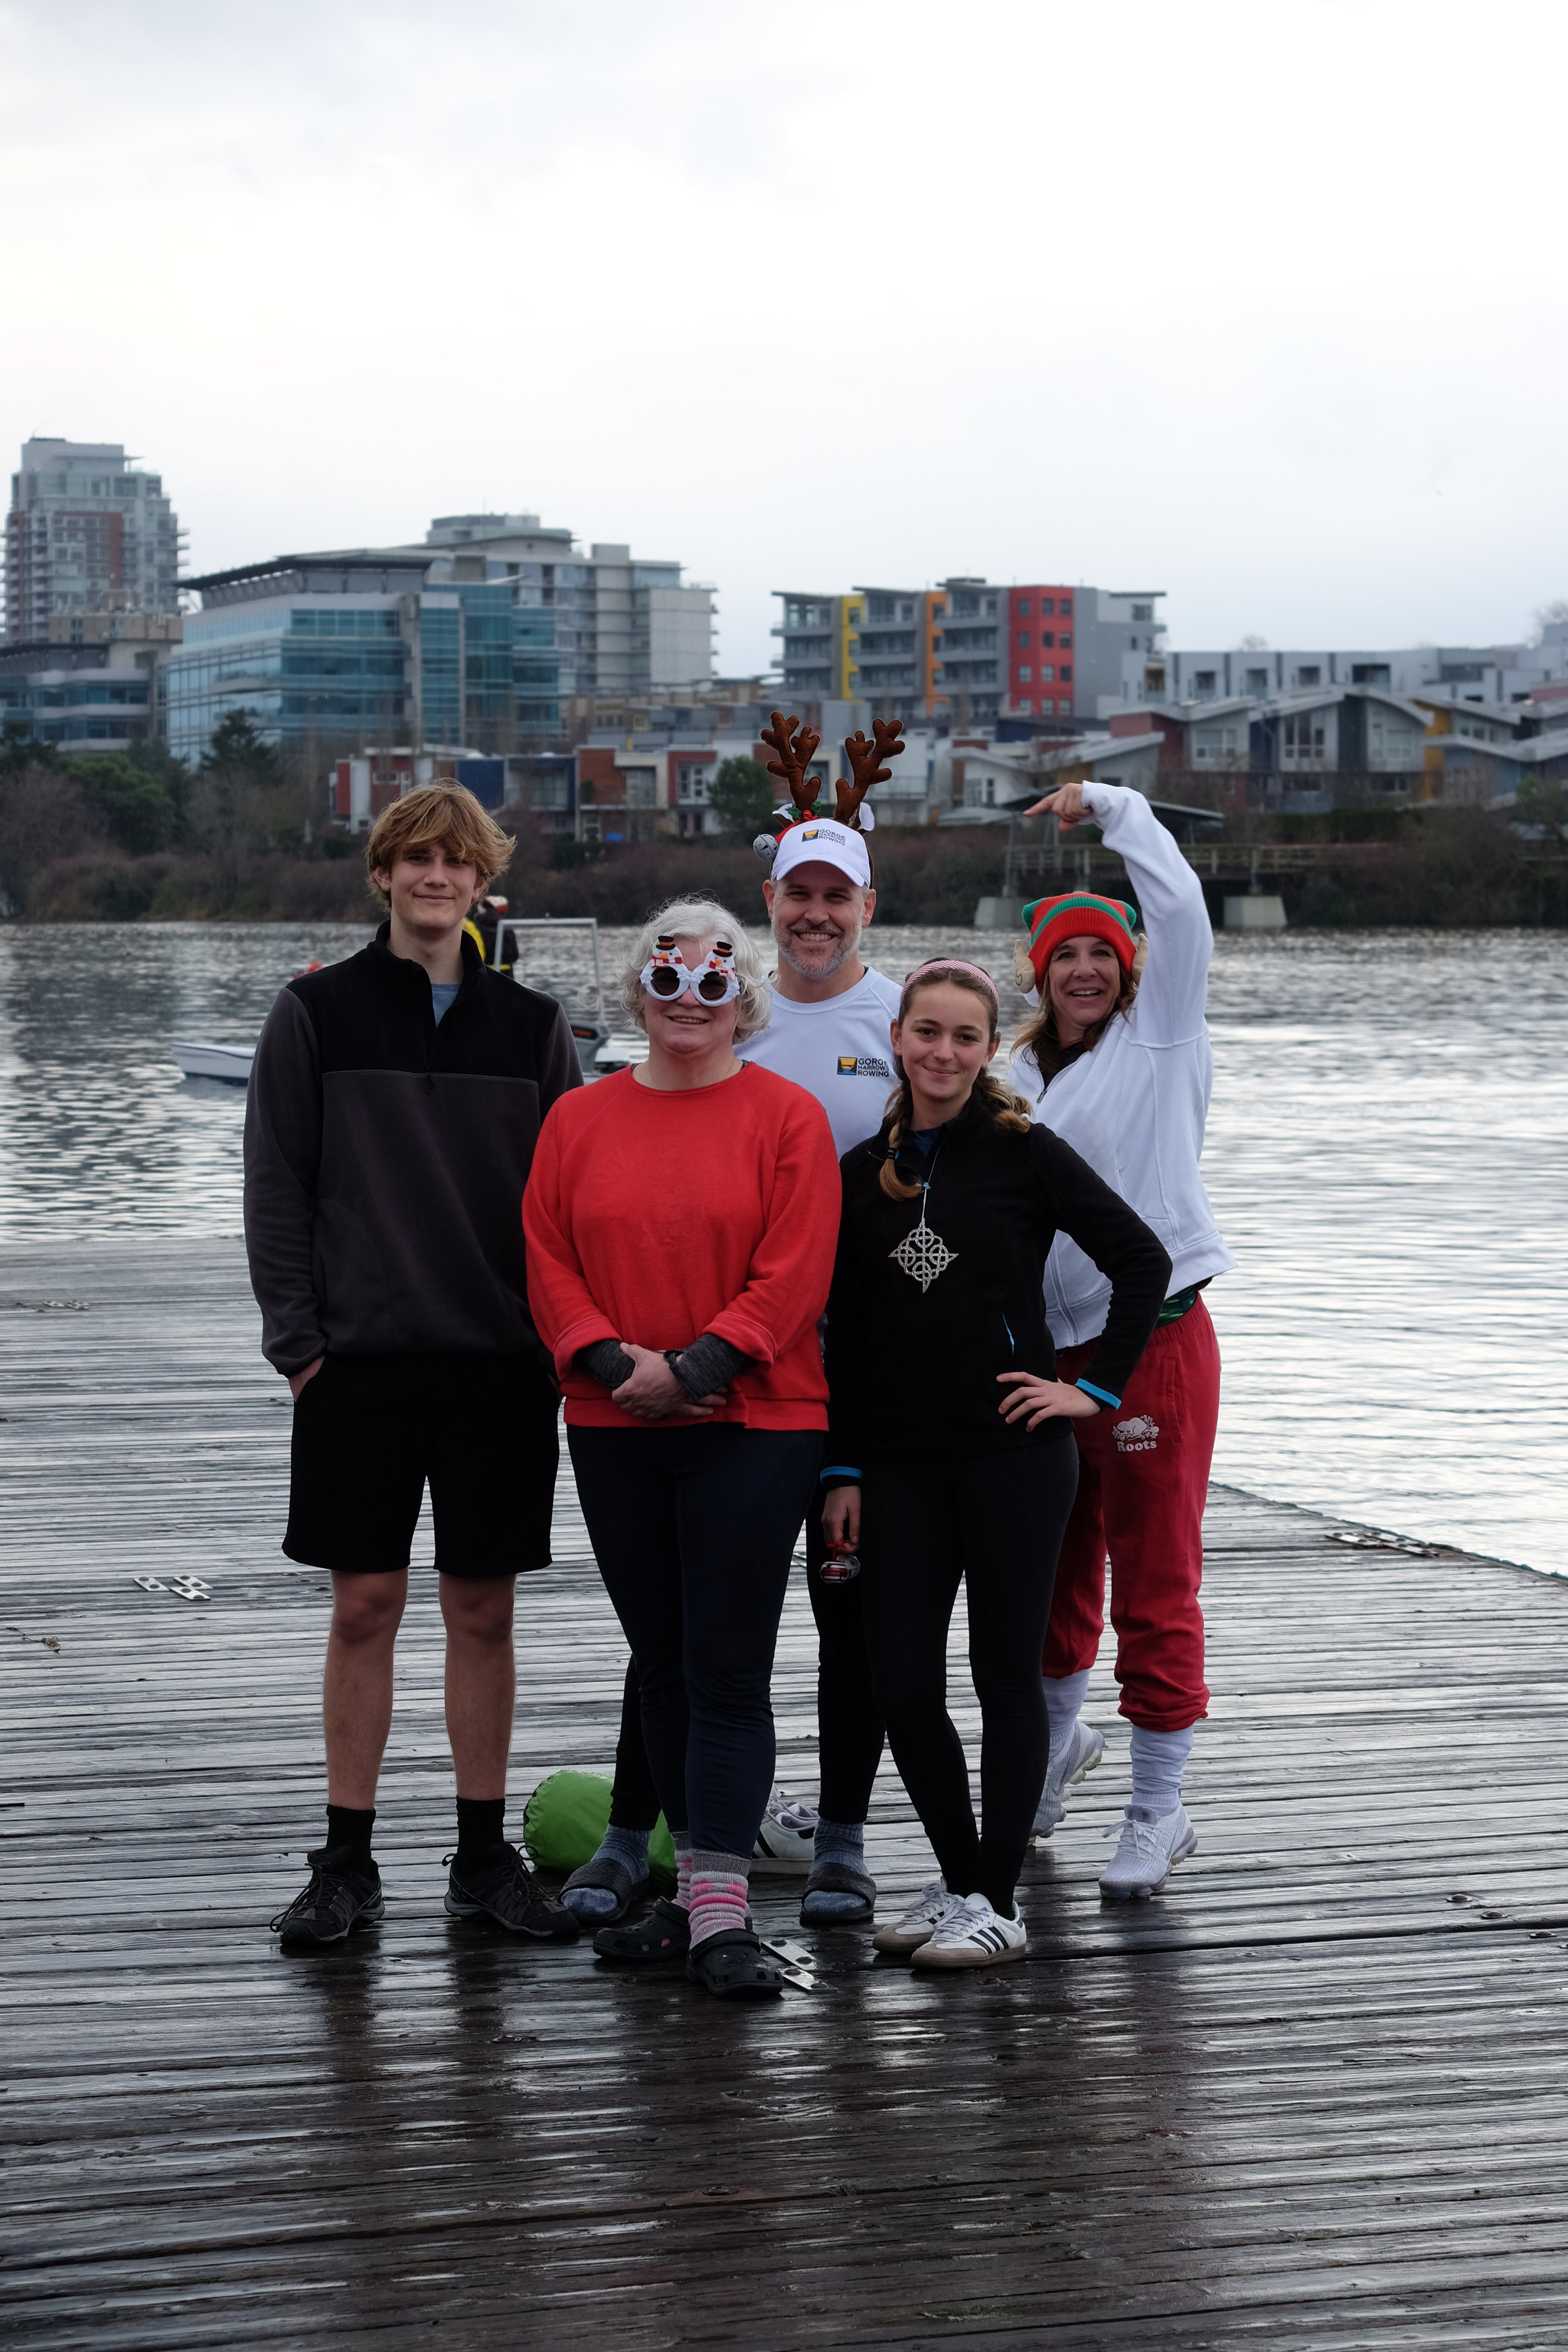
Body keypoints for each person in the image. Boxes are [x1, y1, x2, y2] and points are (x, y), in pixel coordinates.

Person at [250, 783, 583, 1950]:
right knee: (363, 1607)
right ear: (383, 875)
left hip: (499, 1367)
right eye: (416, 860)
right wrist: (301, 1352)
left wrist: (555, 1346)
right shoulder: (316, 1014)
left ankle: (483, 1859)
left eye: (458, 862)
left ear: (482, 881)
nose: (437, 879)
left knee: (481, 1611)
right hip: (361, 1368)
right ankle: (345, 1863)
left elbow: (568, 1204)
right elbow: (277, 1189)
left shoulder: (533, 1026)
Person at [557, 815, 903, 1933]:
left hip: (842, 1356)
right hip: (667, 1383)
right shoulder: (624, 1088)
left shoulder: (905, 1019)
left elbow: (941, 1197)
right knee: (679, 1646)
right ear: (769, 903)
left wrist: (949, 1297)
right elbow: (560, 1250)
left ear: (864, 905)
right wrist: (633, 1369)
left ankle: (840, 1841)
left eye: (835, 896)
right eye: (796, 894)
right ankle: (643, 1842)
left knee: (843, 1616)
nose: (815, 913)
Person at [821, 959, 1171, 1967]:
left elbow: (1140, 1258)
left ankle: (997, 1902)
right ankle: (963, 1878)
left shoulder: (1025, 1152)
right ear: (898, 1039)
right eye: (926, 1033)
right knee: (899, 1684)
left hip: (1014, 1458)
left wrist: (1094, 1390)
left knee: (1001, 1676)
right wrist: (840, 1468)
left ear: (988, 1049)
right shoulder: (860, 1174)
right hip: (896, 1464)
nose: (944, 1053)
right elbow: (843, 1334)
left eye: (965, 1037)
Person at [523, 900, 841, 1998]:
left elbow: (795, 1275)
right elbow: (547, 1257)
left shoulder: (788, 1119)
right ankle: (679, 1893)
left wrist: (698, 1368)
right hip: (615, 1423)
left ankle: (719, 1907)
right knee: (659, 1661)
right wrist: (615, 1365)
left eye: (714, 984)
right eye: (669, 981)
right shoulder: (577, 1120)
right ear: (640, 994)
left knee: (726, 1668)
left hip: (755, 1423)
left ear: (743, 999)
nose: (689, 1001)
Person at [1009, 776, 1236, 1899]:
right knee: (1056, 1575)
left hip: (1154, 1345)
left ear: (1133, 967)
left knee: (1155, 1581)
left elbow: (1184, 908)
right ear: (1038, 976)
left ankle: (1160, 1807)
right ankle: (1056, 1750)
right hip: (1049, 1362)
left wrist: (1113, 808)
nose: (1086, 970)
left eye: (1103, 953)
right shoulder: (1010, 1080)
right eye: (1065, 958)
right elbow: (963, 1218)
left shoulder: (1161, 1041)